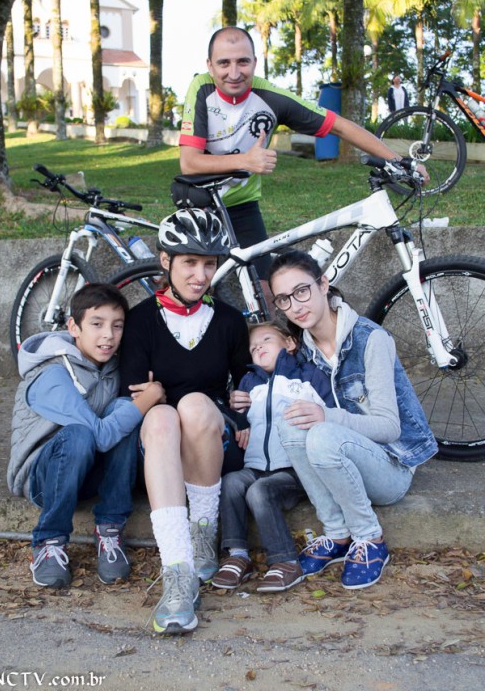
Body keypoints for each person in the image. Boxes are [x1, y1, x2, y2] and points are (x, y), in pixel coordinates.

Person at [232, 249, 438, 590]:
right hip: (336, 465)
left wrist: (326, 416)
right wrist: (241, 400)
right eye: (284, 299)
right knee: (290, 421)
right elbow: (271, 389)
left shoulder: (371, 339)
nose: (296, 306)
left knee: (322, 433)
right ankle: (337, 534)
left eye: (302, 291)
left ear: (323, 284)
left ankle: (369, 538)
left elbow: (389, 428)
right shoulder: (302, 349)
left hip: (389, 467)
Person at [179, 26, 425, 299]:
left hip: (242, 206)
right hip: (200, 203)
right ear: (210, 65)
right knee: (189, 292)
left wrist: (399, 161)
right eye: (224, 63)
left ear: (255, 63)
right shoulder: (201, 88)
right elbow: (189, 162)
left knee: (266, 297)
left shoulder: (270, 97)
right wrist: (246, 160)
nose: (234, 73)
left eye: (243, 62)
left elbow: (339, 126)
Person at [118, 208, 250, 635]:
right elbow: (135, 394)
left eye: (209, 264)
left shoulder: (229, 320)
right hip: (159, 452)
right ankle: (178, 571)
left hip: (214, 442)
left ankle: (202, 531)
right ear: (165, 260)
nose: (200, 275)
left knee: (193, 404)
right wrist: (157, 399)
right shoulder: (140, 320)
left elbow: (247, 377)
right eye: (190, 262)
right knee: (160, 417)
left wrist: (243, 399)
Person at [7, 283, 165, 589]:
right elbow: (100, 436)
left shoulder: (113, 366)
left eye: (117, 326)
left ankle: (110, 530)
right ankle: (48, 542)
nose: (108, 335)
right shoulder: (51, 374)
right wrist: (149, 398)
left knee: (123, 409)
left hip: (87, 472)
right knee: (82, 433)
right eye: (97, 324)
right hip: (42, 479)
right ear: (73, 327)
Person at [212, 321, 335, 593]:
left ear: (290, 343)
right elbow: (241, 423)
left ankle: (285, 561)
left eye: (266, 340)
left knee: (260, 491)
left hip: (295, 469)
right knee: (231, 482)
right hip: (256, 465)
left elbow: (331, 412)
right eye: (253, 348)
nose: (258, 348)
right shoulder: (249, 383)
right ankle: (237, 555)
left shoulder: (308, 376)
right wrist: (236, 412)